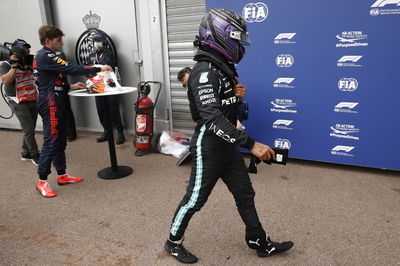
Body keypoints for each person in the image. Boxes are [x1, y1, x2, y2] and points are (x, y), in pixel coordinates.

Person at [164, 9, 293, 263]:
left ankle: (258, 240)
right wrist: (252, 144)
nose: (238, 45)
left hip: (227, 145)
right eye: (235, 38)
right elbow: (211, 118)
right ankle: (173, 242)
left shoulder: (221, 69)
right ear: (220, 37)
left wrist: (236, 97)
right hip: (209, 146)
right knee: (194, 200)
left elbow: (225, 109)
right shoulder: (204, 72)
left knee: (245, 193)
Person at [34, 25, 112, 198]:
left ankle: (62, 175)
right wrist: (99, 68)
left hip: (57, 100)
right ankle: (41, 182)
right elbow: (71, 68)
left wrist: (70, 85)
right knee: (51, 141)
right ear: (47, 41)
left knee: (61, 140)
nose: (61, 43)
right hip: (50, 103)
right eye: (58, 40)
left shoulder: (48, 56)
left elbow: (48, 81)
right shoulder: (45, 55)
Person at [0, 39, 40, 165]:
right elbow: (6, 81)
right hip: (18, 101)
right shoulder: (6, 64)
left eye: (27, 48)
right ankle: (35, 155)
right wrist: (14, 65)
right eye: (23, 49)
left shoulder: (28, 60)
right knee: (28, 129)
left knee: (30, 128)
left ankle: (25, 153)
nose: (26, 51)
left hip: (32, 97)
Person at [86, 31, 125, 145]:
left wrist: (94, 68)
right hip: (97, 86)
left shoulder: (109, 54)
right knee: (100, 110)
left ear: (104, 42)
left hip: (110, 86)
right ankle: (107, 132)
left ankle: (120, 133)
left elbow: (107, 68)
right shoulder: (91, 55)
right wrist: (91, 71)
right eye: (95, 41)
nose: (96, 43)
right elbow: (88, 68)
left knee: (113, 110)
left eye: (99, 41)